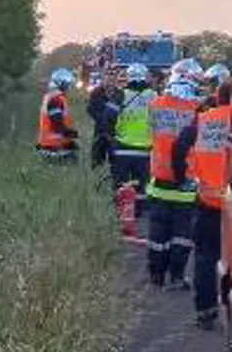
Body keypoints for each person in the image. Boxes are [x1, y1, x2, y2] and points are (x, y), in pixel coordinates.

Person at [172, 81, 231, 329]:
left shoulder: (204, 121)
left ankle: (206, 313)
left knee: (206, 259)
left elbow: (177, 147)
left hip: (210, 203)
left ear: (218, 97)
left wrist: (180, 176)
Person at [145, 61, 205, 289]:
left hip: (159, 181)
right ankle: (177, 277)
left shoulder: (156, 104)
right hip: (186, 185)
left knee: (157, 234)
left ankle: (156, 275)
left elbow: (150, 134)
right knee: (182, 236)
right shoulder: (198, 110)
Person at [107, 63, 156, 219]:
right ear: (145, 77)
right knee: (141, 185)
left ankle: (121, 214)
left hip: (122, 148)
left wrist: (110, 137)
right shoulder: (153, 96)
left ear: (128, 77)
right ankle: (138, 214)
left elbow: (108, 117)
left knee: (121, 183)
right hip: (145, 150)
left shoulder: (120, 94)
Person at [37, 68, 79, 161]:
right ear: (62, 84)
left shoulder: (51, 97)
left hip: (50, 145)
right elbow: (57, 123)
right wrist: (71, 134)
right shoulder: (56, 99)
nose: (69, 87)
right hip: (54, 147)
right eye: (68, 84)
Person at [87, 72, 118, 170]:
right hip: (100, 131)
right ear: (103, 81)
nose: (110, 83)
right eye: (108, 80)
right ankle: (97, 174)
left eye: (112, 81)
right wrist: (101, 119)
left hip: (114, 132)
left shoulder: (120, 94)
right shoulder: (96, 93)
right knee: (97, 159)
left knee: (115, 160)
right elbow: (90, 109)